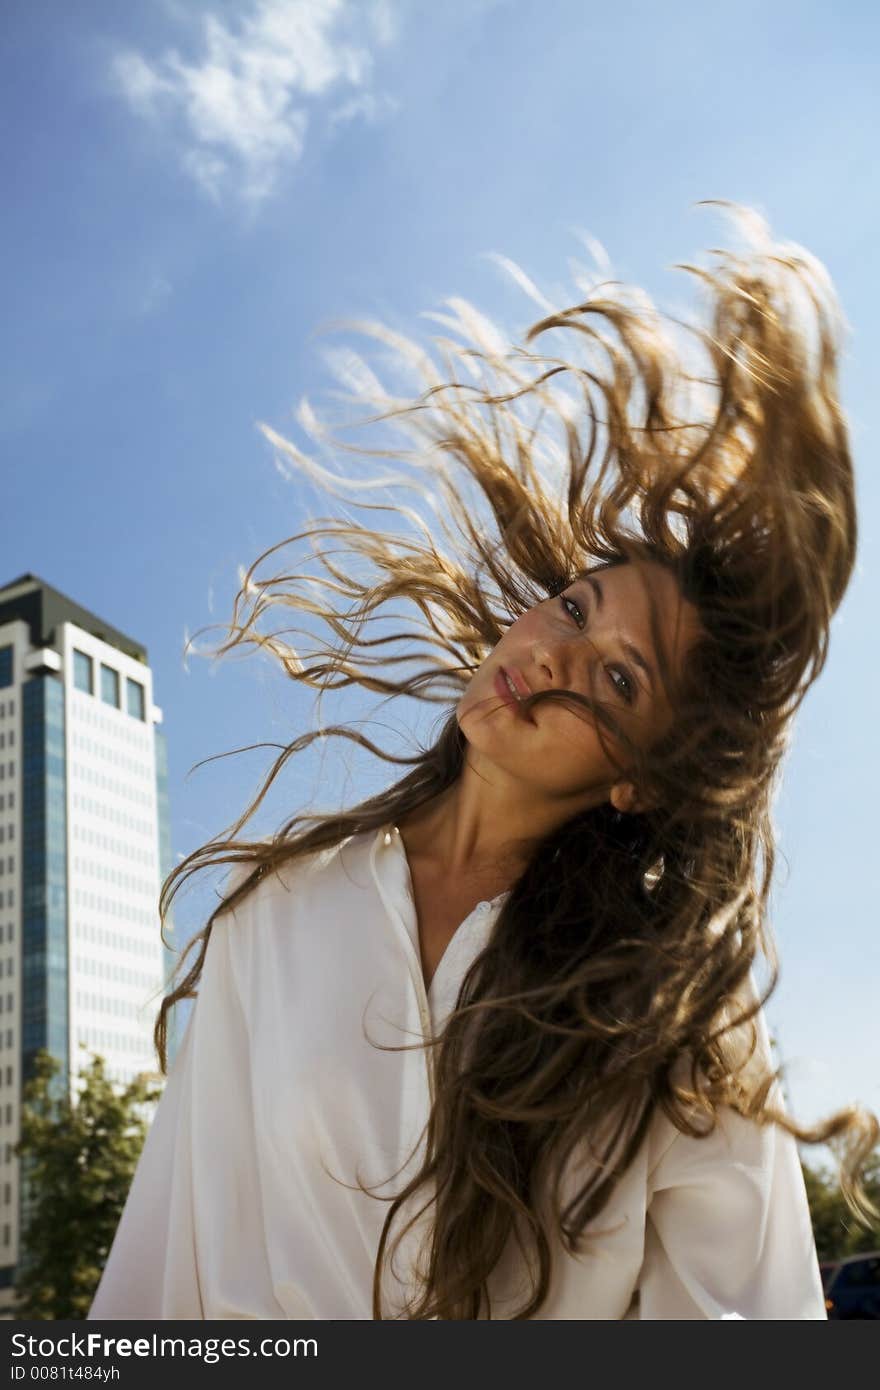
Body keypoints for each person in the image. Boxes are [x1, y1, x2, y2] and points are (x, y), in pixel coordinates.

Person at [88, 204, 878, 1321]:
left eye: (617, 679)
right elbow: (164, 1276)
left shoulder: (674, 1009)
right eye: (570, 607)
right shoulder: (274, 911)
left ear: (639, 782)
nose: (552, 657)